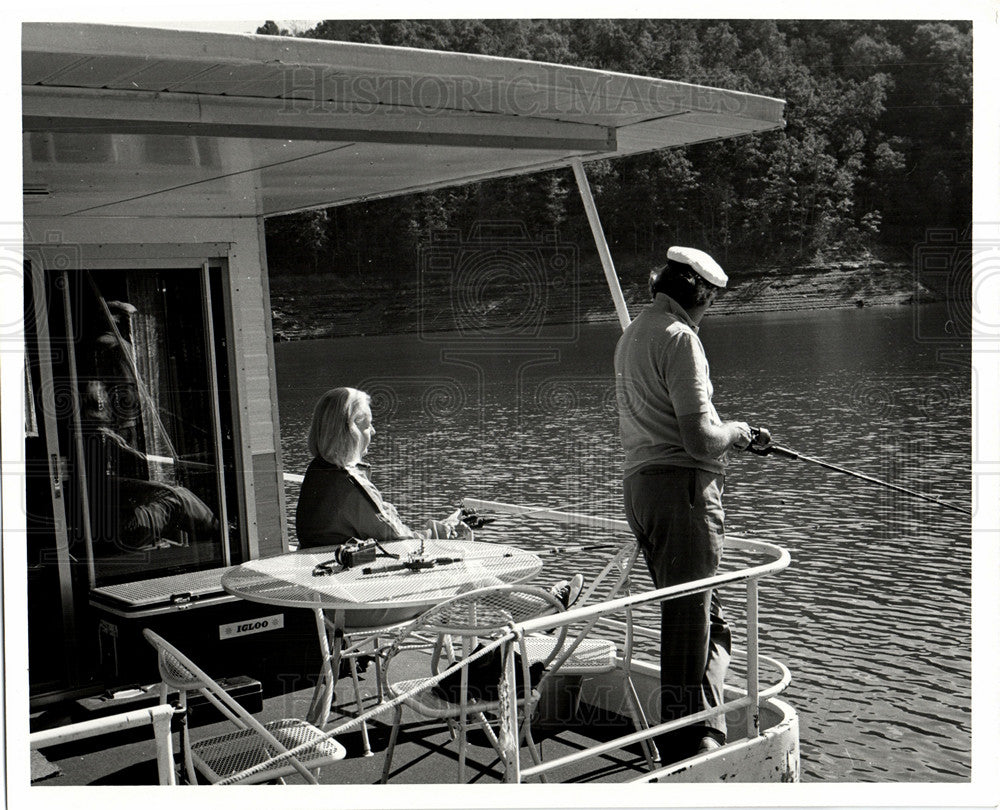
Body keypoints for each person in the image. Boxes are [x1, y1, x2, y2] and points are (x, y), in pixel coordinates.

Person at [613, 246, 767, 760]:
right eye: (710, 303)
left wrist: (728, 435)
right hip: (681, 492)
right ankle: (682, 746)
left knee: (707, 620)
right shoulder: (680, 339)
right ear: (698, 294)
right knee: (687, 623)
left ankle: (706, 728)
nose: (707, 315)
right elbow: (700, 440)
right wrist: (738, 430)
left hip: (643, 489)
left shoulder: (631, 335)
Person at [296, 387, 584, 607]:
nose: (374, 431)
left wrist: (439, 529)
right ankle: (543, 608)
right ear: (350, 431)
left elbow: (380, 535)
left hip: (328, 598)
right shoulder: (349, 482)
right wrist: (441, 533)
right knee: (463, 568)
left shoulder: (319, 472)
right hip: (359, 602)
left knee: (463, 565)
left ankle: (526, 616)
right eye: (368, 425)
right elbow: (402, 544)